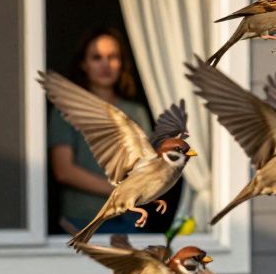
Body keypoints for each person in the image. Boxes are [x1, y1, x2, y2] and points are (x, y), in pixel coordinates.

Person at [48, 27, 180, 235]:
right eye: (97, 57)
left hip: (130, 218)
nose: (105, 65)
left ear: (122, 63)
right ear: (83, 64)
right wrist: (125, 193)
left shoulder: (135, 111)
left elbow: (147, 166)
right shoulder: (65, 110)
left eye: (113, 57)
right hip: (82, 217)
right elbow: (63, 171)